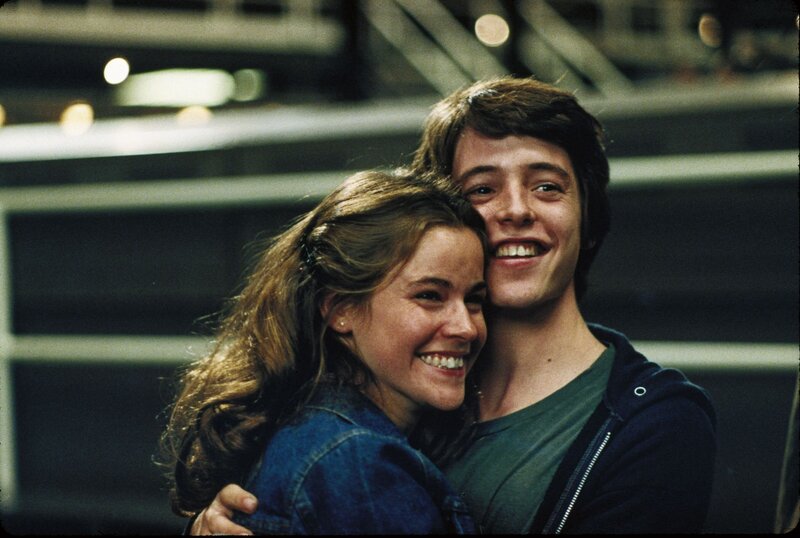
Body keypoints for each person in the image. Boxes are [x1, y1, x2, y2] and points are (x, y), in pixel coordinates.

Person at [190, 76, 717, 535]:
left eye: (547, 187)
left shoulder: (655, 422)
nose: (516, 210)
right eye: (483, 189)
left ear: (587, 216)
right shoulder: (406, 379)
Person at [160, 169, 490, 534]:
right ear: (339, 310)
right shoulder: (356, 460)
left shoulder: (306, 428)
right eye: (430, 296)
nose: (465, 327)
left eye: (474, 300)